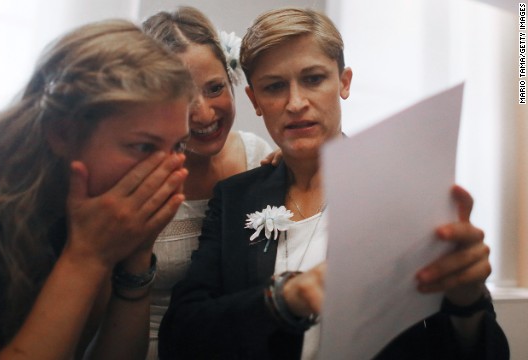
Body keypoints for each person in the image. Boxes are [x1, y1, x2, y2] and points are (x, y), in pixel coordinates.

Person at [158, 7, 509, 360]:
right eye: (275, 86)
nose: (296, 103)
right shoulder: (236, 197)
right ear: (255, 100)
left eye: (313, 79)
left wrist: (468, 303)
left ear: (344, 82)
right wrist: (283, 300)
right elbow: (180, 336)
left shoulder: (403, 192)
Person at [0, 19, 196, 359]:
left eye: (178, 147)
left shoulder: (85, 209)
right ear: (61, 133)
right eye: (143, 147)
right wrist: (86, 258)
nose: (170, 171)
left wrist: (136, 257)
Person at [142, 6, 274, 359]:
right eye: (182, 98)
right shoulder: (136, 180)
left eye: (215, 88)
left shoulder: (257, 155)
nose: (204, 113)